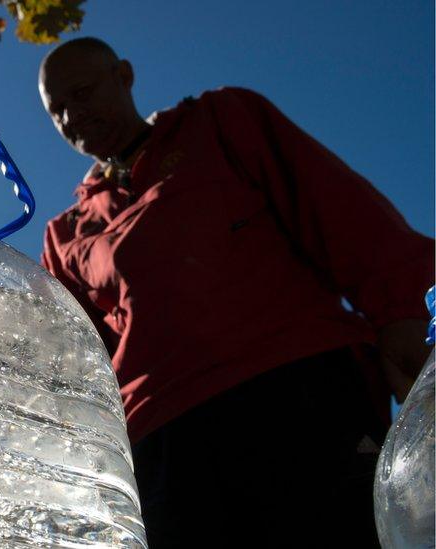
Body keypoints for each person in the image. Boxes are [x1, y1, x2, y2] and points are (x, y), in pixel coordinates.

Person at [37, 37, 434, 547]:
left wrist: (405, 310)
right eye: (58, 110)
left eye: (84, 92)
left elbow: (339, 210)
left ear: (124, 75)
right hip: (163, 442)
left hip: (297, 390)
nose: (74, 114)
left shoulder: (221, 121)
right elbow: (76, 366)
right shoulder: (64, 234)